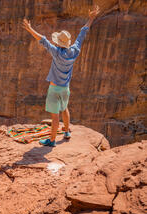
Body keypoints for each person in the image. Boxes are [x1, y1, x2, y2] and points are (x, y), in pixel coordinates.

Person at [22, 6, 101, 147]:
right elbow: (83, 32)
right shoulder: (74, 51)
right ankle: (67, 132)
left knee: (55, 117)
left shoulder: (56, 52)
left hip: (54, 89)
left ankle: (52, 141)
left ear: (59, 43)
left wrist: (29, 29)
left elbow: (43, 40)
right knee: (65, 109)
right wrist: (91, 18)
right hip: (65, 88)